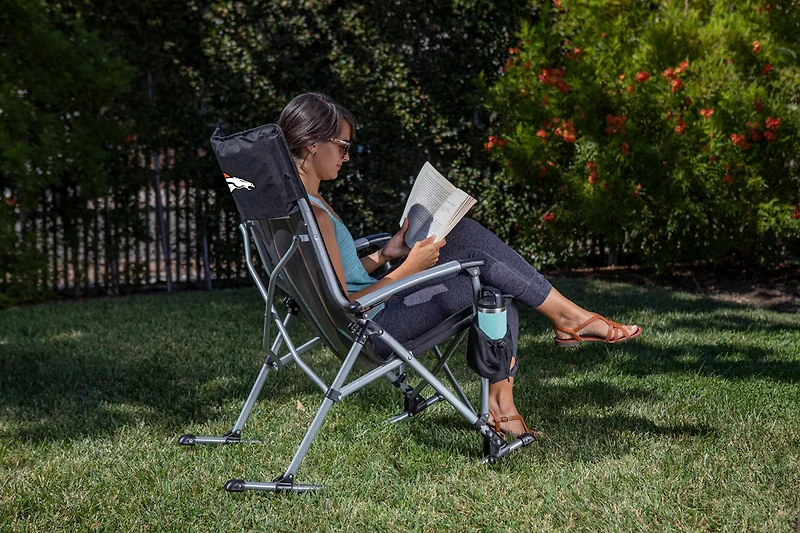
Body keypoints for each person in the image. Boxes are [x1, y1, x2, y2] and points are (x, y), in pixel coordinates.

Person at [277, 92, 641, 437]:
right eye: (342, 145)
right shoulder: (315, 216)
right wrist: (410, 268)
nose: (347, 155)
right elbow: (346, 304)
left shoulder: (298, 208)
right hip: (376, 329)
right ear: (312, 143)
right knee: (490, 279)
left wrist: (387, 255)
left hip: (367, 320)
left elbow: (336, 279)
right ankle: (536, 363)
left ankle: (546, 348)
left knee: (477, 254)